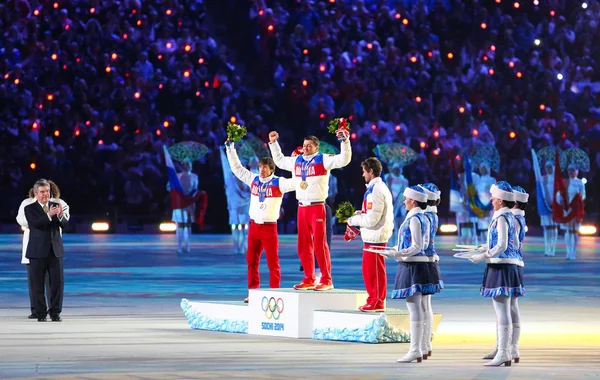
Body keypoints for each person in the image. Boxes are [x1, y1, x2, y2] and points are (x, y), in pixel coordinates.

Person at [269, 130, 351, 291]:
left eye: (309, 146)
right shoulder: (297, 161)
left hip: (317, 207)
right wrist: (273, 143)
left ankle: (327, 279)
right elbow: (279, 161)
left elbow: (344, 159)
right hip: (302, 207)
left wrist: (345, 141)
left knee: (320, 245)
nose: (305, 148)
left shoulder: (323, 159)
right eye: (304, 145)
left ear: (316, 148)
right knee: (303, 245)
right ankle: (309, 278)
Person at [225, 142, 295, 302]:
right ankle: (253, 293)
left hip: (269, 228)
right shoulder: (254, 179)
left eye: (264, 167)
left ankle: (274, 295)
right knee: (251, 261)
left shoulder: (280, 182)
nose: (261, 170)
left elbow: (297, 182)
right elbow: (237, 169)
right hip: (254, 227)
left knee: (273, 263)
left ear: (272, 169)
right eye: (260, 166)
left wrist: (297, 164)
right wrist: (230, 149)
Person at [469, 181, 525, 367]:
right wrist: (486, 247)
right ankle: (508, 348)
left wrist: (484, 255)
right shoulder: (510, 216)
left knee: (502, 310)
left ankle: (504, 352)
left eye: (494, 197)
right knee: (509, 309)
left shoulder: (501, 218)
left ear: (500, 200)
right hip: (510, 265)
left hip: (502, 266)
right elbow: (514, 244)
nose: (491, 200)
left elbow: (502, 245)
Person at [379, 185, 432, 363]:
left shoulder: (416, 218)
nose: (404, 201)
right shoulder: (420, 217)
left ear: (413, 201)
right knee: (418, 308)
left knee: (415, 308)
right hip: (414, 264)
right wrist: (395, 249)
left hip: (413, 265)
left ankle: (416, 349)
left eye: (406, 199)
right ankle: (419, 347)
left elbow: (419, 246)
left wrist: (398, 254)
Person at [16, 181, 70, 319]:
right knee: (37, 284)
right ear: (36, 194)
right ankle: (40, 313)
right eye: (42, 191)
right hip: (37, 250)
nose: (45, 194)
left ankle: (55, 312)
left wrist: (59, 216)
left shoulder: (57, 205)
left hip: (55, 250)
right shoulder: (29, 207)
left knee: (57, 284)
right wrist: (49, 215)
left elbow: (64, 225)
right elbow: (35, 224)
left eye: (47, 191)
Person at [346, 157, 394, 312]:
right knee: (369, 271)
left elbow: (373, 219)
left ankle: (377, 301)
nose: (362, 175)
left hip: (376, 237)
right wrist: (360, 214)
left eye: (364, 171)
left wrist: (353, 220)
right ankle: (373, 299)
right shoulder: (376, 189)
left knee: (375, 272)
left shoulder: (376, 190)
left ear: (371, 171)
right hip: (373, 237)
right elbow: (372, 213)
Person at [418, 182, 445, 359]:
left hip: (423, 261)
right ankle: (425, 344)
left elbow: (422, 243)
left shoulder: (425, 217)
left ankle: (422, 345)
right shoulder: (432, 215)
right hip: (431, 261)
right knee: (425, 306)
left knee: (421, 306)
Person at [220, 149, 257, 255]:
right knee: (236, 225)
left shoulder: (248, 176)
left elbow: (250, 190)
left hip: (245, 204)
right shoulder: (230, 178)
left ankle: (243, 246)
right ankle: (237, 246)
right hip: (235, 205)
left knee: (244, 226)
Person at [169, 160, 198, 254]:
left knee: (188, 224)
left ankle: (187, 245)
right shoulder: (177, 176)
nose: (186, 166)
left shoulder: (194, 176)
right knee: (180, 225)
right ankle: (179, 246)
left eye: (188, 164)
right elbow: (169, 187)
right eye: (184, 164)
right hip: (179, 202)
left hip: (189, 202)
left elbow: (195, 189)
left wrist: (190, 197)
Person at [559, 164, 586, 260]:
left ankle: (573, 252)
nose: (571, 172)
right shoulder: (565, 182)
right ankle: (568, 251)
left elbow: (583, 196)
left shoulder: (580, 183)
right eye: (569, 170)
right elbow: (559, 194)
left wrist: (576, 201)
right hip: (567, 209)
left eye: (573, 170)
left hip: (575, 210)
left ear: (577, 171)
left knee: (574, 231)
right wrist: (562, 201)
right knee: (568, 231)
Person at [385, 163, 409, 247]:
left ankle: (401, 242)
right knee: (390, 225)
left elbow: (405, 192)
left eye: (398, 169)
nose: (396, 171)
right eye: (395, 169)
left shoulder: (404, 180)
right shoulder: (387, 178)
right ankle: (391, 242)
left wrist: (400, 201)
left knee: (401, 225)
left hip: (400, 206)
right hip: (390, 204)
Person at [541, 161, 558, 256]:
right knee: (546, 227)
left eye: (550, 167)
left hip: (555, 205)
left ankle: (553, 248)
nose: (548, 168)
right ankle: (547, 248)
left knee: (553, 227)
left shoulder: (557, 179)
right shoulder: (543, 178)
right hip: (545, 204)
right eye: (546, 167)